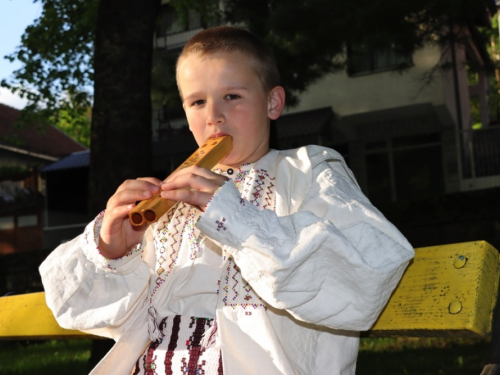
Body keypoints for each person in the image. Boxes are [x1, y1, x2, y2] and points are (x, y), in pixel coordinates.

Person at [40, 25, 414, 375]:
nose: (214, 117)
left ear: (273, 103)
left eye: (231, 97)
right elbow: (79, 309)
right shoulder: (170, 197)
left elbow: (367, 271)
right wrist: (112, 252)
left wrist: (232, 216)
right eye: (197, 102)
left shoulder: (309, 170)